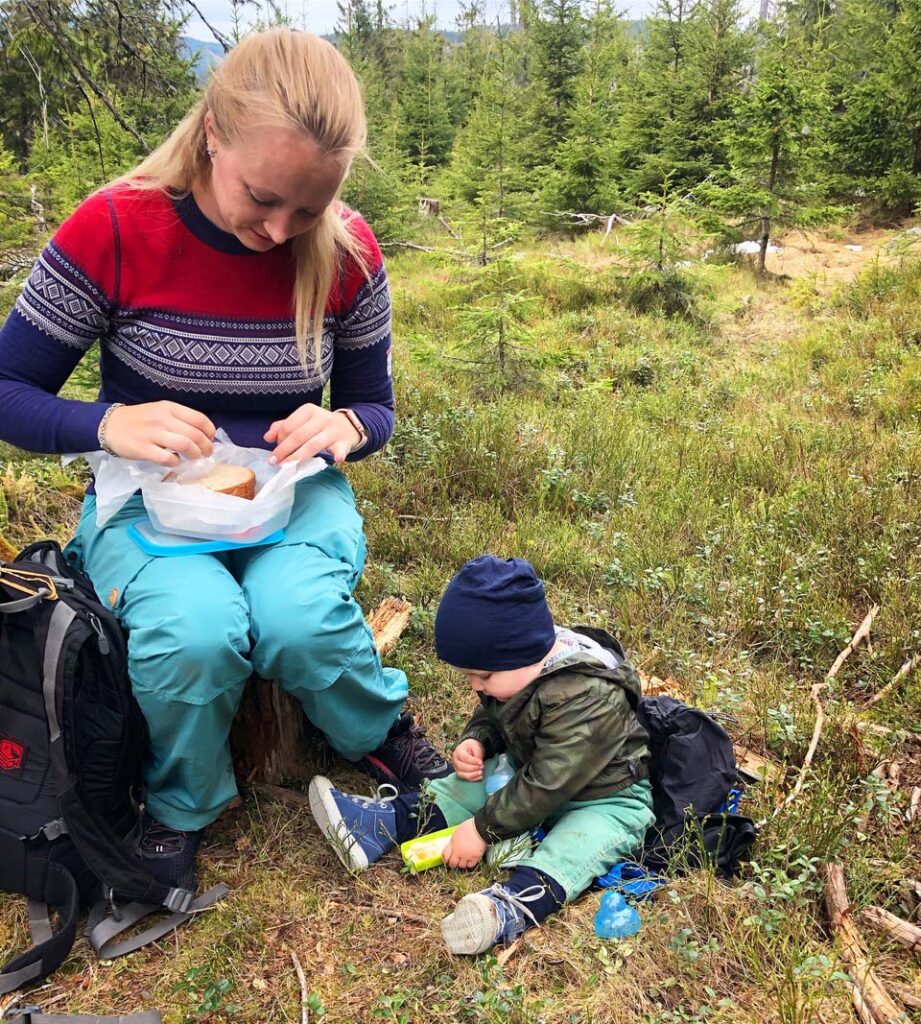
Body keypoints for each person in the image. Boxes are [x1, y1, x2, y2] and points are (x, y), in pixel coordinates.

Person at [0, 28, 449, 893]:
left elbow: (374, 403)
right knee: (195, 635)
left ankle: (376, 728)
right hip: (152, 496)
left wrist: (346, 428)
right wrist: (107, 423)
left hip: (288, 494)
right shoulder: (115, 228)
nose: (280, 232)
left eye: (308, 208)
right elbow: (10, 387)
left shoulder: (349, 251)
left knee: (298, 619)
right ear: (212, 132)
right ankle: (182, 803)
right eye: (262, 197)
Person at [309, 555, 655, 955]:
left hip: (606, 797)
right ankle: (378, 823)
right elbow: (496, 712)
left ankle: (506, 908)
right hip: (530, 774)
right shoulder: (522, 666)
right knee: (466, 785)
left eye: (484, 676)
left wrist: (481, 830)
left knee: (577, 847)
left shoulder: (588, 695)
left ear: (523, 654)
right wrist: (478, 740)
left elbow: (547, 783)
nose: (476, 685)